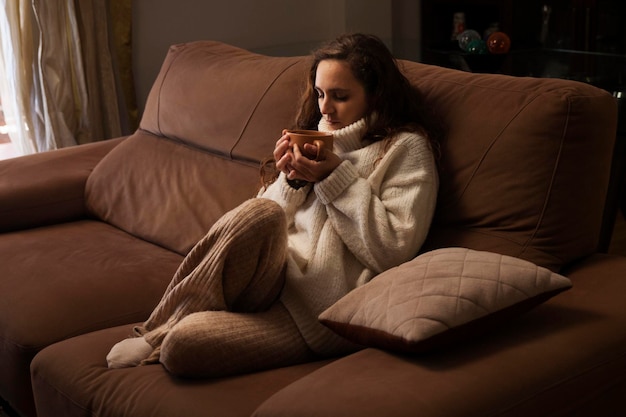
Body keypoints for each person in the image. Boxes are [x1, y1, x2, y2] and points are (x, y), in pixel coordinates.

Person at [106, 33, 440, 378]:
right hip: (272, 276)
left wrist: (336, 177)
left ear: (375, 96)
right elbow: (265, 221)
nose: (325, 108)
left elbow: (393, 250)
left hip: (318, 315)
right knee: (260, 212)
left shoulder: (406, 149)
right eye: (321, 94)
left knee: (181, 349)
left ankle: (178, 328)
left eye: (341, 96)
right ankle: (155, 331)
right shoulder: (317, 134)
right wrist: (291, 180)